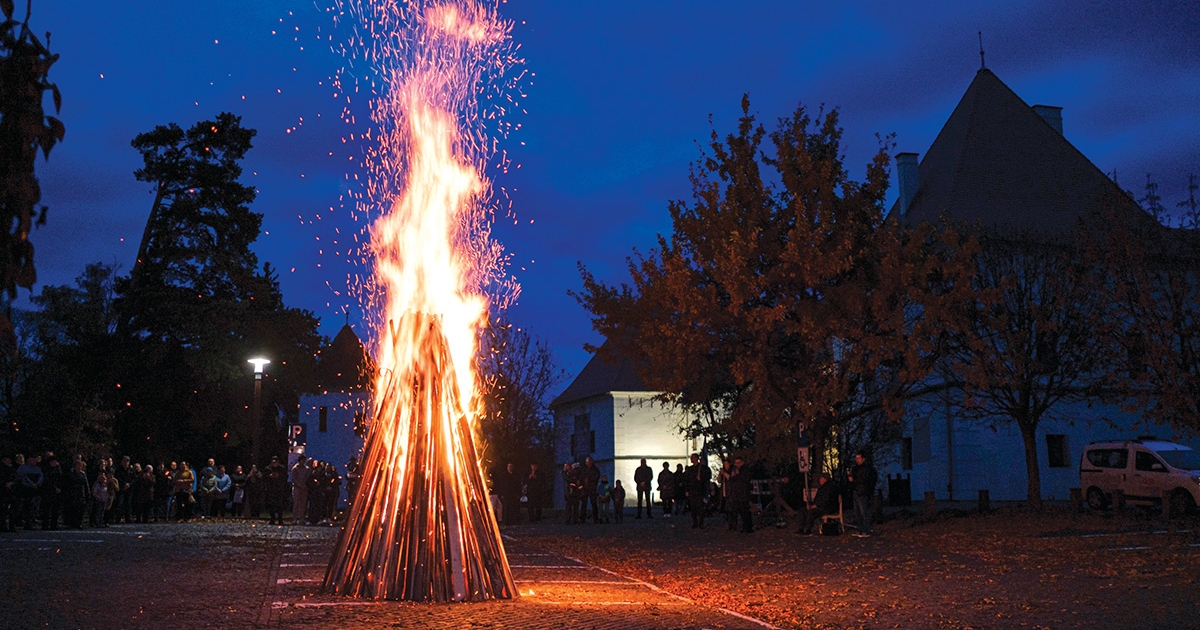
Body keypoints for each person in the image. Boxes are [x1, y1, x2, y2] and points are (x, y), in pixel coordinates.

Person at [848, 451, 877, 537]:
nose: (857, 460)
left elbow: (864, 480)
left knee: (864, 511)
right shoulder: (856, 468)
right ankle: (860, 530)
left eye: (859, 458)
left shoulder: (866, 469)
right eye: (856, 458)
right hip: (856, 491)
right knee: (857, 512)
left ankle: (866, 530)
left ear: (863, 459)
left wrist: (853, 480)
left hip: (863, 492)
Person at [726, 457, 753, 533]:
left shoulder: (746, 470)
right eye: (736, 463)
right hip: (737, 493)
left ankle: (748, 527)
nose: (737, 465)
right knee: (740, 511)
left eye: (738, 463)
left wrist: (738, 474)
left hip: (743, 493)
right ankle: (744, 526)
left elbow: (745, 479)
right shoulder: (735, 469)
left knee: (745, 511)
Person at [685, 453, 711, 529]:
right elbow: (687, 480)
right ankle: (695, 522)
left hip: (700, 490)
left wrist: (701, 478)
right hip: (692, 490)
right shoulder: (690, 469)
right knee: (693, 508)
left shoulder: (703, 468)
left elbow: (707, 478)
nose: (691, 459)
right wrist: (686, 490)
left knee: (700, 507)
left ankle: (701, 522)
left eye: (693, 457)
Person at [264, 457, 288, 525]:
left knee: (280, 505)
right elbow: (264, 477)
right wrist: (270, 476)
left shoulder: (282, 469)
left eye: (276, 462)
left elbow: (285, 477)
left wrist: (279, 476)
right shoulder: (268, 469)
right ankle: (272, 518)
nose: (274, 463)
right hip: (271, 490)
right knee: (271, 505)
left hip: (279, 490)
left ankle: (280, 519)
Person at [578, 457, 601, 524]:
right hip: (585, 488)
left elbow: (597, 477)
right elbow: (580, 477)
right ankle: (582, 519)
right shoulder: (583, 469)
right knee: (584, 504)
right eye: (587, 462)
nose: (588, 463)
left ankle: (595, 519)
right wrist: (581, 484)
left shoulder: (595, 469)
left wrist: (589, 479)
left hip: (592, 488)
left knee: (594, 504)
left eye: (589, 462)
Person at [290, 455, 310, 525]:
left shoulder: (307, 469)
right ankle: (294, 518)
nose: (303, 461)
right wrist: (299, 484)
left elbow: (308, 478)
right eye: (302, 460)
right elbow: (294, 478)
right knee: (296, 504)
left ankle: (302, 518)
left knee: (303, 504)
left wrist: (304, 484)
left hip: (304, 488)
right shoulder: (295, 468)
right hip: (297, 488)